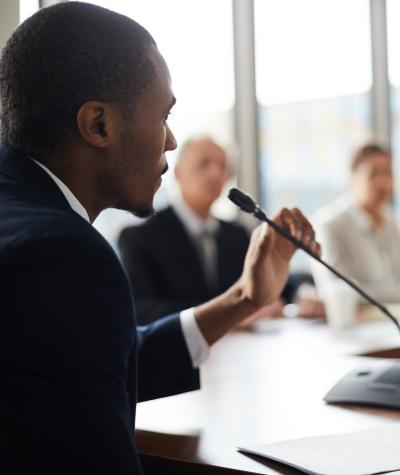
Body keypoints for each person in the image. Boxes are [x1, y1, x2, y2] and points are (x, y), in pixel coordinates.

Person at [0, 3, 319, 474]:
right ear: (99, 125)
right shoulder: (62, 253)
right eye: (164, 115)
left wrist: (244, 299)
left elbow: (100, 362)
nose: (169, 140)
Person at [118, 136, 285, 324]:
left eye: (223, 167)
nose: (216, 174)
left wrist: (303, 292)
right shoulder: (140, 238)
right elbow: (139, 309)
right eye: (203, 164)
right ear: (178, 173)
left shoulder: (237, 235)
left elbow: (271, 282)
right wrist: (229, 315)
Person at [311, 142, 400, 326]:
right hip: (354, 328)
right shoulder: (329, 225)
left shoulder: (392, 225)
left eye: (388, 173)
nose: (383, 182)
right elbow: (338, 291)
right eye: (373, 173)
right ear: (352, 177)